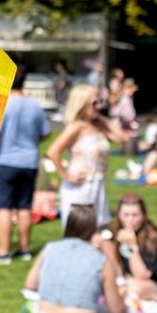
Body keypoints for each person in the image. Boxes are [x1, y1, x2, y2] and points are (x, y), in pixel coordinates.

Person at [24, 205, 133, 313]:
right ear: (93, 230)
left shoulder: (49, 248)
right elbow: (117, 310)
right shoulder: (101, 261)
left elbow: (30, 284)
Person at [0, 66, 50, 264]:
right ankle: (24, 249)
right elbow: (45, 132)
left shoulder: (3, 104)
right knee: (24, 206)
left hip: (5, 161)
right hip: (29, 161)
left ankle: (3, 252)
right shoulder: (35, 105)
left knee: (3, 207)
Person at [47, 85, 126, 227]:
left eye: (100, 102)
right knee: (81, 229)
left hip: (98, 183)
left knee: (100, 228)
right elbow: (53, 152)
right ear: (82, 105)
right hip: (80, 185)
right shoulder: (76, 127)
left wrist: (101, 117)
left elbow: (122, 138)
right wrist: (66, 175)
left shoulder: (98, 126)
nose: (99, 106)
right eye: (94, 103)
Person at [101, 194, 157, 299]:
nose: (130, 220)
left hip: (150, 283)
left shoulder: (152, 238)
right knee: (105, 242)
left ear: (143, 215)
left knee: (134, 290)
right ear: (119, 215)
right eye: (126, 215)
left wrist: (132, 246)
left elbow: (142, 276)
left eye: (135, 215)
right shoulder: (112, 229)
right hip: (123, 278)